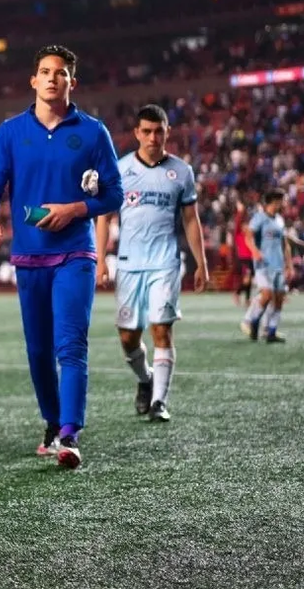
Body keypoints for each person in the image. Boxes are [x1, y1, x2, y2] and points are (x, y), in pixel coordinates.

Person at [0, 45, 123, 469]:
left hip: (76, 253)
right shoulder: (10, 131)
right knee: (38, 351)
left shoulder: (94, 132)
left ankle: (70, 433)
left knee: (70, 345)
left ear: (71, 82)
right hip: (28, 257)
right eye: (44, 72)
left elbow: (113, 193)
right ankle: (51, 419)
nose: (52, 78)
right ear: (33, 80)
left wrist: (75, 210)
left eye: (60, 73)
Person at [95, 105, 208, 423]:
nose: (153, 137)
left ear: (167, 132)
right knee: (128, 337)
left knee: (161, 330)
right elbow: (104, 217)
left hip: (165, 264)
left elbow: (191, 219)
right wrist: (101, 259)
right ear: (137, 134)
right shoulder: (120, 169)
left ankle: (159, 400)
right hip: (129, 265)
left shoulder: (181, 171)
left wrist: (202, 263)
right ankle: (145, 381)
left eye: (159, 130)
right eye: (146, 131)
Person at [241, 190, 293, 343]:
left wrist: (289, 265)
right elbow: (248, 237)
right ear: (275, 201)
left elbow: (285, 244)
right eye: (282, 200)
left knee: (278, 299)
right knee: (267, 295)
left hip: (278, 264)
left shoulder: (280, 220)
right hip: (263, 264)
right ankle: (252, 321)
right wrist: (255, 251)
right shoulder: (259, 218)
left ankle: (271, 331)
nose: (283, 203)